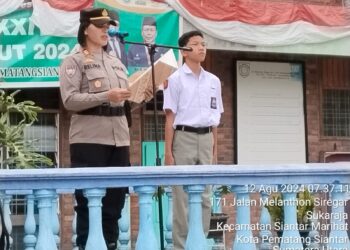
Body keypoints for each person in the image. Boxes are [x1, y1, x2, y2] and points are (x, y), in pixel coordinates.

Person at [59, 7, 131, 250]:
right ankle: (86, 245)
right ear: (85, 28)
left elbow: (122, 99)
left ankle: (110, 244)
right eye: (100, 26)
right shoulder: (74, 60)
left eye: (107, 26)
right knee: (89, 200)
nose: (105, 30)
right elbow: (69, 100)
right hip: (89, 139)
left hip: (119, 138)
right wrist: (105, 96)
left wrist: (141, 91)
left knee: (116, 201)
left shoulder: (116, 63)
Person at [163, 30, 224, 250]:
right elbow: (170, 117)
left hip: (207, 137)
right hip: (183, 137)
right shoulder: (175, 80)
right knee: (181, 197)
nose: (201, 48)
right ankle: (181, 246)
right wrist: (168, 152)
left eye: (204, 44)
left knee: (206, 195)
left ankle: (198, 242)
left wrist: (215, 149)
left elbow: (215, 118)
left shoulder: (214, 81)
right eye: (196, 44)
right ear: (184, 51)